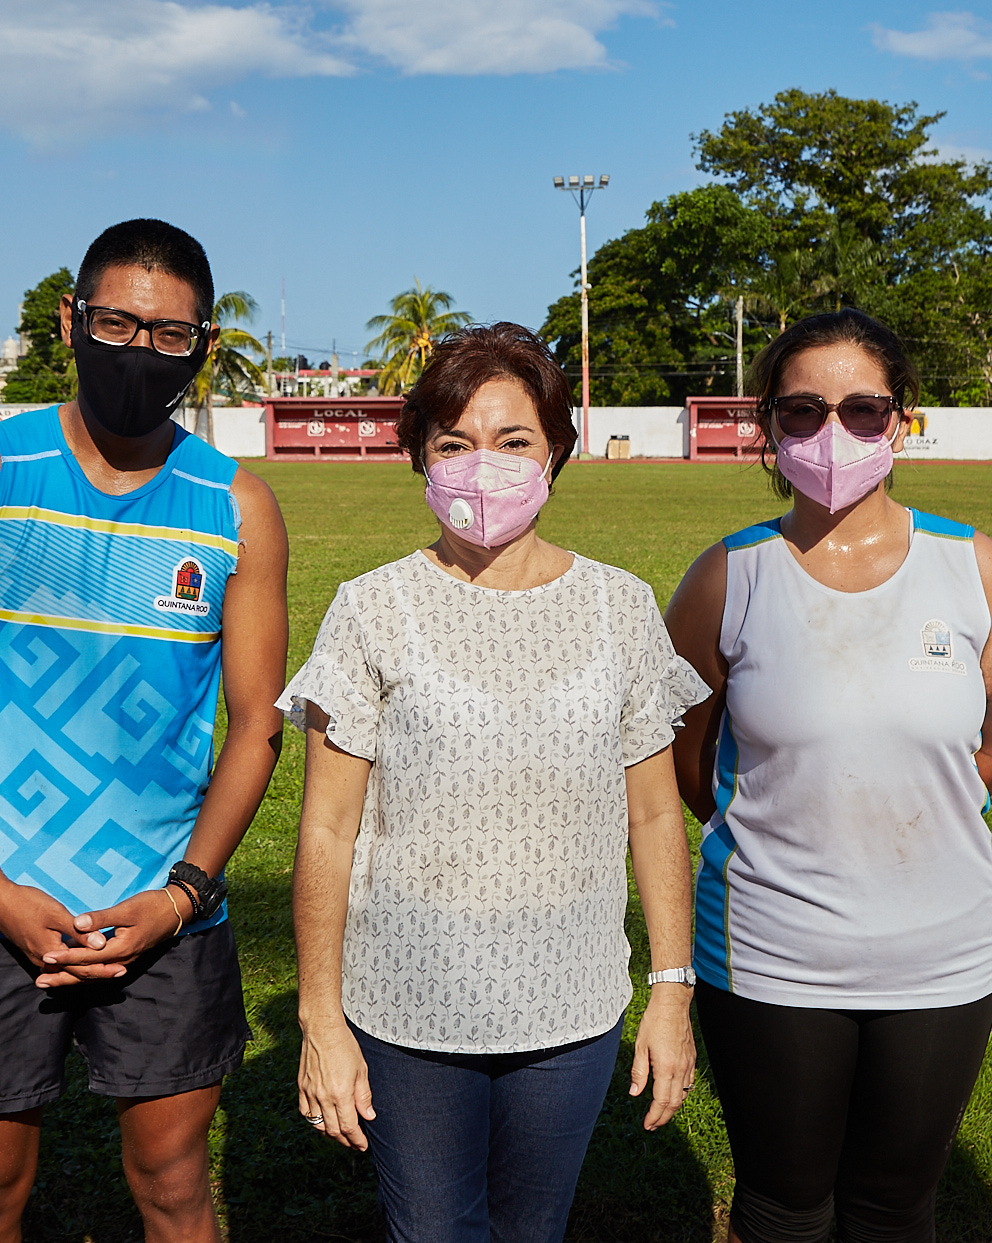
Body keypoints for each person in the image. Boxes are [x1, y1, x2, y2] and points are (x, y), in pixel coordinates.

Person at [0, 218, 289, 1243]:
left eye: (170, 334)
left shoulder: (235, 502)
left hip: (162, 914)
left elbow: (256, 727)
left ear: (201, 345)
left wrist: (180, 894)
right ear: (71, 321)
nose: (139, 351)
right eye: (117, 322)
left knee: (171, 1185)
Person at [285, 322, 708, 1243]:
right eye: (454, 444)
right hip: (405, 1009)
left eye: (513, 441)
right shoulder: (370, 608)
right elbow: (325, 830)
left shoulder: (621, 604)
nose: (485, 468)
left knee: (533, 1231)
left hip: (571, 1009)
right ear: (418, 458)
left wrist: (671, 989)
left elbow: (654, 813)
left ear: (557, 448)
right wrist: (320, 1017)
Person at [664, 309, 992, 1243]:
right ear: (767, 429)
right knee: (783, 1208)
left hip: (939, 958)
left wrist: (924, 800)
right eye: (802, 412)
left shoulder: (973, 565)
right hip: (769, 954)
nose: (832, 434)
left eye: (863, 410)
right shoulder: (729, 575)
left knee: (894, 1207)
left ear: (901, 420)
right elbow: (686, 753)